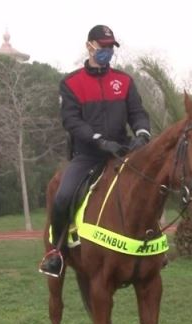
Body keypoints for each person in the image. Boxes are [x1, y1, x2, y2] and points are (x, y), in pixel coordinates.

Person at [39, 24, 151, 277]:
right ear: (89, 46)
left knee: (152, 189)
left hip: (122, 153)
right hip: (87, 156)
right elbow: (71, 121)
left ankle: (154, 250)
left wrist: (142, 134)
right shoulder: (71, 83)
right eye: (103, 47)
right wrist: (98, 140)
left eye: (111, 47)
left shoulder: (124, 81)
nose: (107, 52)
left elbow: (137, 113)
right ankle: (56, 253)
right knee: (63, 197)